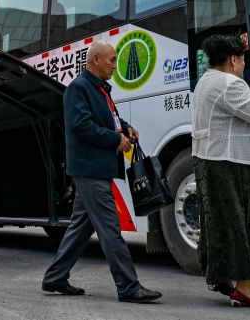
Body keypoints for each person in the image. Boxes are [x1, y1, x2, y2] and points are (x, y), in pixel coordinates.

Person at [42, 42, 162, 304]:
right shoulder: (78, 88)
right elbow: (81, 125)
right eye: (112, 60)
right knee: (110, 228)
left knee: (81, 227)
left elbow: (110, 120)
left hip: (96, 168)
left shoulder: (100, 89)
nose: (115, 66)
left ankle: (55, 277)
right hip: (90, 169)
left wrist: (126, 129)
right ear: (95, 59)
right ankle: (128, 286)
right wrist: (115, 139)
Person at [192, 34, 250, 308]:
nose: (244, 65)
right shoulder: (229, 83)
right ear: (233, 60)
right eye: (243, 60)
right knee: (244, 224)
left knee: (221, 223)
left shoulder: (206, 81)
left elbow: (239, 108)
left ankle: (223, 277)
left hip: (213, 160)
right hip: (233, 163)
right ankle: (244, 289)